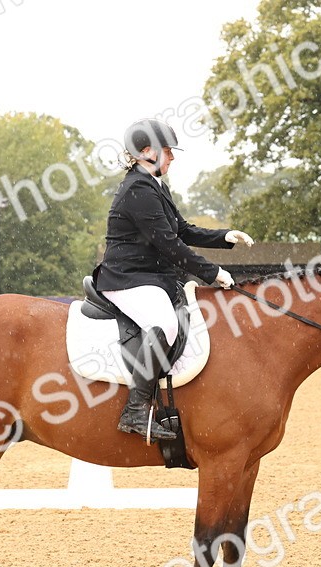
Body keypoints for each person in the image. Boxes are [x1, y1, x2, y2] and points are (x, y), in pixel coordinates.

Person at [95, 118, 253, 440]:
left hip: (148, 277)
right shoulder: (138, 189)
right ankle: (135, 411)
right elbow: (168, 244)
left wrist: (224, 237)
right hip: (127, 278)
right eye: (167, 151)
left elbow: (181, 230)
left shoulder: (155, 185)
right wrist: (212, 272)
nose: (172, 157)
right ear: (147, 152)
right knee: (165, 324)